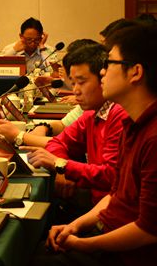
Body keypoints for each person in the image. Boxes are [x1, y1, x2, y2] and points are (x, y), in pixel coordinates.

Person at [20, 24, 157, 266]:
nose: (103, 72)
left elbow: (148, 230)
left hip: (132, 265)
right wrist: (77, 226)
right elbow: (116, 195)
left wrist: (85, 244)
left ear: (136, 72)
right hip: (109, 235)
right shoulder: (133, 123)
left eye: (111, 63)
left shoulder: (152, 137)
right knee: (29, 250)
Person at [20, 43, 126, 212]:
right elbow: (58, 142)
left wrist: (61, 165)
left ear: (103, 78)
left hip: (110, 208)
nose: (75, 90)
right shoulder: (91, 113)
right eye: (73, 83)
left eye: (81, 82)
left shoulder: (120, 115)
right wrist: (62, 168)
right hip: (96, 200)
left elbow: (111, 176)